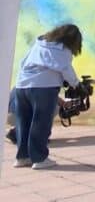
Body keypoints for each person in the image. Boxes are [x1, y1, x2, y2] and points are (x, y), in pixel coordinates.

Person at [14, 24, 83, 170]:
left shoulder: (38, 45)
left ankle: (22, 157)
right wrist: (77, 85)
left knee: (23, 123)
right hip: (43, 89)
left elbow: (22, 63)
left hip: (21, 87)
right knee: (40, 124)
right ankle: (39, 158)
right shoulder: (62, 49)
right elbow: (66, 69)